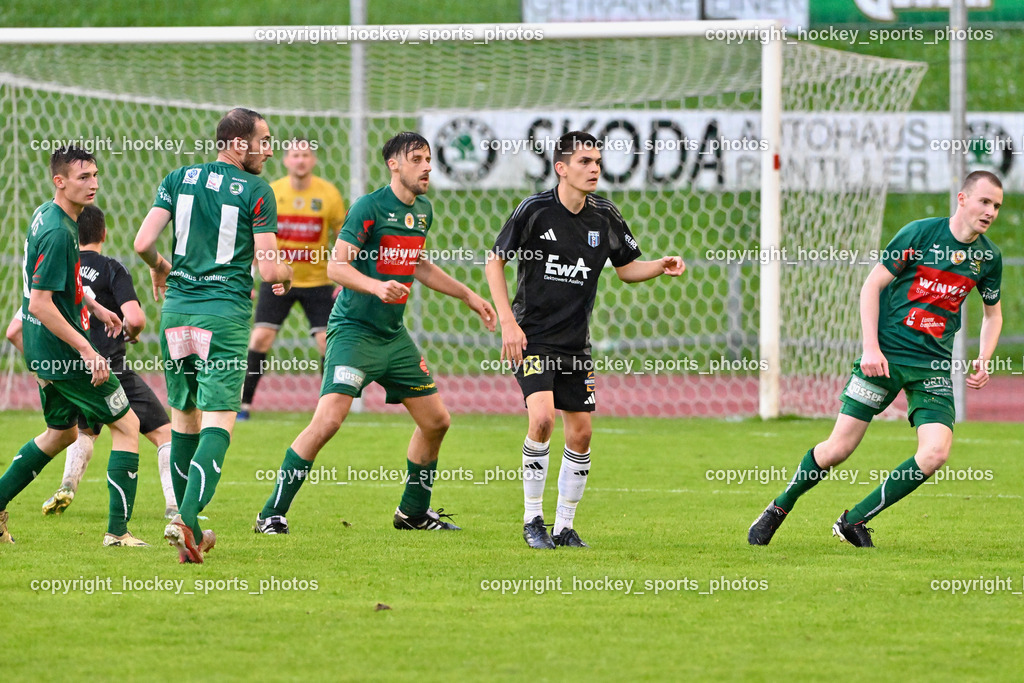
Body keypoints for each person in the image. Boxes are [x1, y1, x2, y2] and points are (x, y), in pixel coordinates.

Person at [253, 131, 495, 535]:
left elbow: (417, 264)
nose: (427, 167)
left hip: (392, 336)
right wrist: (377, 286)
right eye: (417, 159)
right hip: (353, 332)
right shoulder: (369, 207)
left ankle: (413, 513)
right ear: (394, 165)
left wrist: (469, 295)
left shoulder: (423, 211)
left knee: (436, 421)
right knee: (329, 420)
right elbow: (337, 267)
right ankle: (271, 514)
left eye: (429, 159)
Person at [748, 170, 1004, 548]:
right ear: (962, 199)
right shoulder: (919, 234)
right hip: (882, 358)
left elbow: (993, 314)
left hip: (931, 368)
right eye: (984, 201)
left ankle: (854, 521)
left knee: (935, 453)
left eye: (997, 205)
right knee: (838, 449)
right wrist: (871, 347)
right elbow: (872, 284)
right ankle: (779, 506)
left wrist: (984, 356)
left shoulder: (988, 257)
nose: (991, 211)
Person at [484, 130, 685, 550]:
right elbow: (494, 261)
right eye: (585, 162)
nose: (595, 168)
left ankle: (564, 527)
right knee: (541, 419)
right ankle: (532, 520)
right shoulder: (535, 211)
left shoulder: (604, 216)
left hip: (575, 344)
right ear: (561, 168)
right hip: (532, 338)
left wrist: (659, 266)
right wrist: (507, 321)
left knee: (581, 434)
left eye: (597, 161)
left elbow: (626, 268)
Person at [135, 108, 293, 563]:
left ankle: (192, 531)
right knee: (220, 419)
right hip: (222, 317)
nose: (269, 148)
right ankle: (185, 517)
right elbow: (267, 268)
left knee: (184, 417)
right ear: (239, 144)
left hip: (177, 312)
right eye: (264, 140)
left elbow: (143, 244)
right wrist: (287, 273)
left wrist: (162, 270)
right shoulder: (258, 190)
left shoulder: (178, 177)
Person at [0, 145, 146, 547]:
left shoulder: (48, 214)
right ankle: (118, 533)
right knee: (128, 426)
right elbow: (40, 303)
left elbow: (62, 285)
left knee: (60, 433)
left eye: (95, 175)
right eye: (83, 177)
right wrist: (87, 349)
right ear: (59, 181)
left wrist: (95, 307)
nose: (94, 183)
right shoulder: (57, 231)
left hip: (41, 349)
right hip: (63, 354)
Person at [31, 205, 177, 519]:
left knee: (85, 432)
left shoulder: (63, 268)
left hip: (72, 367)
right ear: (104, 233)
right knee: (163, 432)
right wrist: (130, 331)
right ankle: (172, 506)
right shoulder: (112, 268)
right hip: (109, 366)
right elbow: (135, 318)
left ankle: (68, 483)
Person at [239, 139, 346, 419]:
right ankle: (244, 404)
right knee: (261, 338)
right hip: (276, 279)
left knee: (327, 341)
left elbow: (345, 237)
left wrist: (346, 275)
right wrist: (248, 277)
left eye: (306, 155)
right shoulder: (272, 192)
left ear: (313, 161)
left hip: (318, 282)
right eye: (295, 155)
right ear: (286, 160)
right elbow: (257, 239)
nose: (301, 160)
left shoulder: (329, 194)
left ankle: (327, 408)